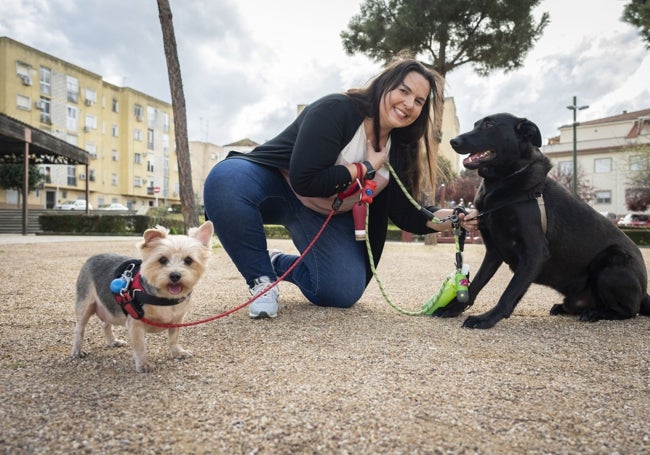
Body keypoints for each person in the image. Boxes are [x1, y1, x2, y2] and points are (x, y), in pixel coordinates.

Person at [203, 57, 477, 319]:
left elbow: (408, 214)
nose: (408, 104)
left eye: (418, 101)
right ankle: (261, 280)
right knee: (225, 180)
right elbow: (305, 179)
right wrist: (365, 166)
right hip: (277, 185)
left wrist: (455, 220)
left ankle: (277, 264)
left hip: (323, 215)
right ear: (384, 85)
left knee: (341, 291)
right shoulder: (336, 109)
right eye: (403, 91)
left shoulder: (400, 149)